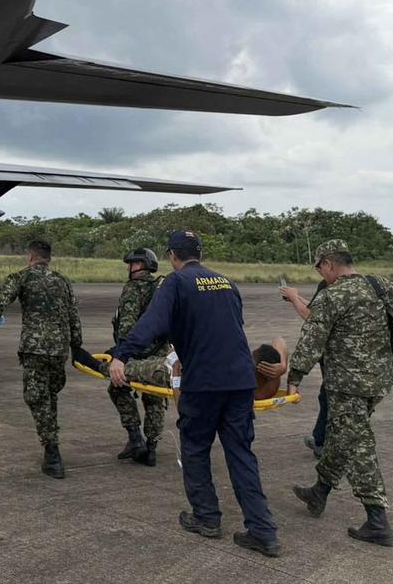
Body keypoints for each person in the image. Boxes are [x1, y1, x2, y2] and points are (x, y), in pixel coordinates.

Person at [110, 230, 279, 557]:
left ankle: (206, 517)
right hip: (241, 380)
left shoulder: (175, 283)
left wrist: (122, 354)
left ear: (173, 256)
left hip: (204, 383)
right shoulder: (227, 282)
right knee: (242, 454)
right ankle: (263, 531)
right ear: (199, 253)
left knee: (196, 448)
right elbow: (234, 325)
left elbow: (151, 324)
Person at [287, 239, 393, 548]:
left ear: (328, 264)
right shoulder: (382, 286)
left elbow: (312, 340)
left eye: (318, 267)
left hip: (346, 386)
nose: (319, 273)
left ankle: (377, 520)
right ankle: (320, 491)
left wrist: (295, 377)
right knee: (341, 436)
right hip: (378, 383)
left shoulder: (332, 296)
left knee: (358, 447)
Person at [0, 240, 81, 479]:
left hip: (35, 348)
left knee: (36, 397)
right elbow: (73, 315)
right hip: (58, 349)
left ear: (30, 256)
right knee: (49, 395)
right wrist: (77, 347)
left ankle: (52, 450)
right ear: (49, 258)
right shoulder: (62, 281)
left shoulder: (20, 278)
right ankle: (51, 442)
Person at [107, 247, 170, 467]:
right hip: (161, 353)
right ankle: (151, 448)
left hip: (137, 354)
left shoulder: (134, 288)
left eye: (132, 264)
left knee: (116, 388)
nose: (129, 268)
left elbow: (127, 325)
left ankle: (135, 438)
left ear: (140, 265)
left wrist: (121, 354)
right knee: (154, 398)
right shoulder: (162, 288)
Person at [281, 279, 330, 458]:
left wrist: (294, 299)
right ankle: (320, 439)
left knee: (329, 398)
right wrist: (296, 297)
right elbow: (315, 308)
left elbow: (312, 317)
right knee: (327, 397)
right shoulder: (344, 286)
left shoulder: (328, 285)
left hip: (335, 360)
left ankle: (322, 443)